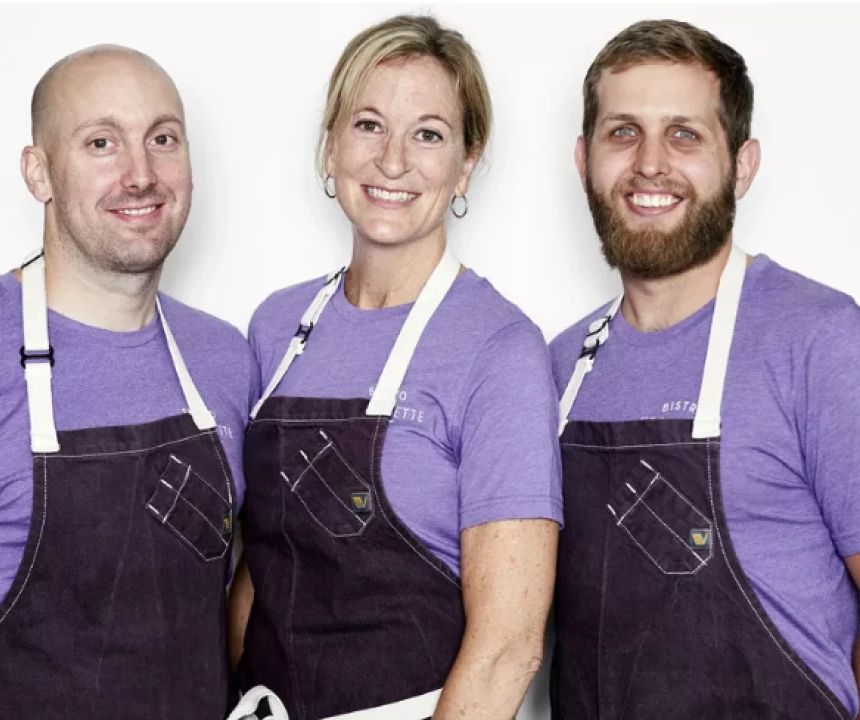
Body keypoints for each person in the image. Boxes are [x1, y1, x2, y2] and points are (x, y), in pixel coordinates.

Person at [0, 45, 257, 720]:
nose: (140, 175)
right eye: (101, 142)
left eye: (163, 139)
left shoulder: (225, 360)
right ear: (39, 172)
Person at [548, 19, 860, 719]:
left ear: (742, 164)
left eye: (685, 134)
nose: (650, 164)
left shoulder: (820, 343)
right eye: (623, 132)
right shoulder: (559, 368)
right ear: (584, 160)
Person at [228, 14, 561, 720]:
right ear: (330, 146)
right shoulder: (276, 328)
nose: (392, 160)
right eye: (369, 125)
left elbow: (509, 647)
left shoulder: (499, 349)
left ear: (466, 164)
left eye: (428, 134)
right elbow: (260, 567)